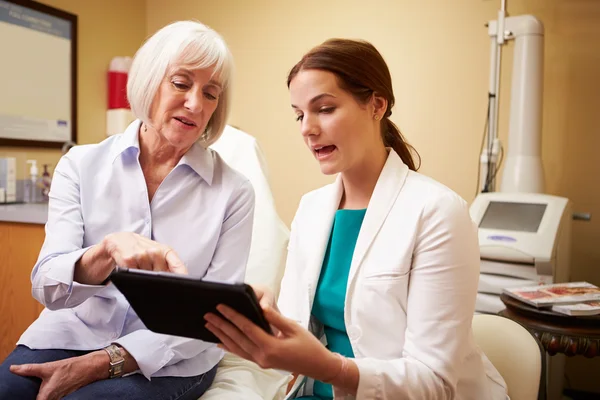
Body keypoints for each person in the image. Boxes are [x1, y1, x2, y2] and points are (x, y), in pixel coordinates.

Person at [203, 38, 509, 399]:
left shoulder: (439, 213)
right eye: (300, 115)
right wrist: (264, 313)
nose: (307, 128)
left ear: (377, 105)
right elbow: (302, 330)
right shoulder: (312, 209)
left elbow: (434, 382)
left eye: (325, 109)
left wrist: (329, 367)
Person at [0, 20, 255, 400]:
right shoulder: (80, 166)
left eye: (211, 93)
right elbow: (48, 287)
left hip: (171, 355)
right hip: (70, 332)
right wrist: (104, 251)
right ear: (149, 80)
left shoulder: (234, 192)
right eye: (182, 84)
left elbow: (212, 320)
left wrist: (102, 363)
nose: (195, 104)